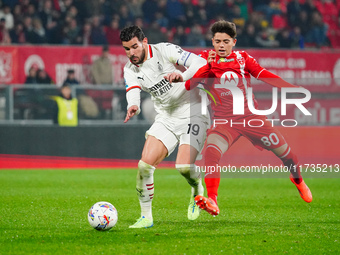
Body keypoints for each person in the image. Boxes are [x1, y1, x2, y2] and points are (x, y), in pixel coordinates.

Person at [185, 20, 312, 216]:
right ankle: (213, 200)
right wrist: (208, 67)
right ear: (212, 41)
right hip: (224, 123)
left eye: (226, 41)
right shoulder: (204, 59)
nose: (221, 45)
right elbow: (189, 86)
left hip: (251, 119)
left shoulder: (243, 59)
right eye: (217, 41)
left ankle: (297, 179)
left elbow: (264, 74)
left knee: (287, 155)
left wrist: (290, 88)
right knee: (211, 152)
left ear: (234, 42)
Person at [120, 25, 209, 228]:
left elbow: (200, 62)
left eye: (134, 46)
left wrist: (183, 76)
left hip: (193, 110)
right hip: (166, 116)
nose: (131, 53)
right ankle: (146, 217)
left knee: (184, 167)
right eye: (126, 49)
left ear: (144, 41)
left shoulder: (164, 50)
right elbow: (132, 89)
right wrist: (132, 105)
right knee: (144, 166)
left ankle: (197, 189)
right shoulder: (129, 68)